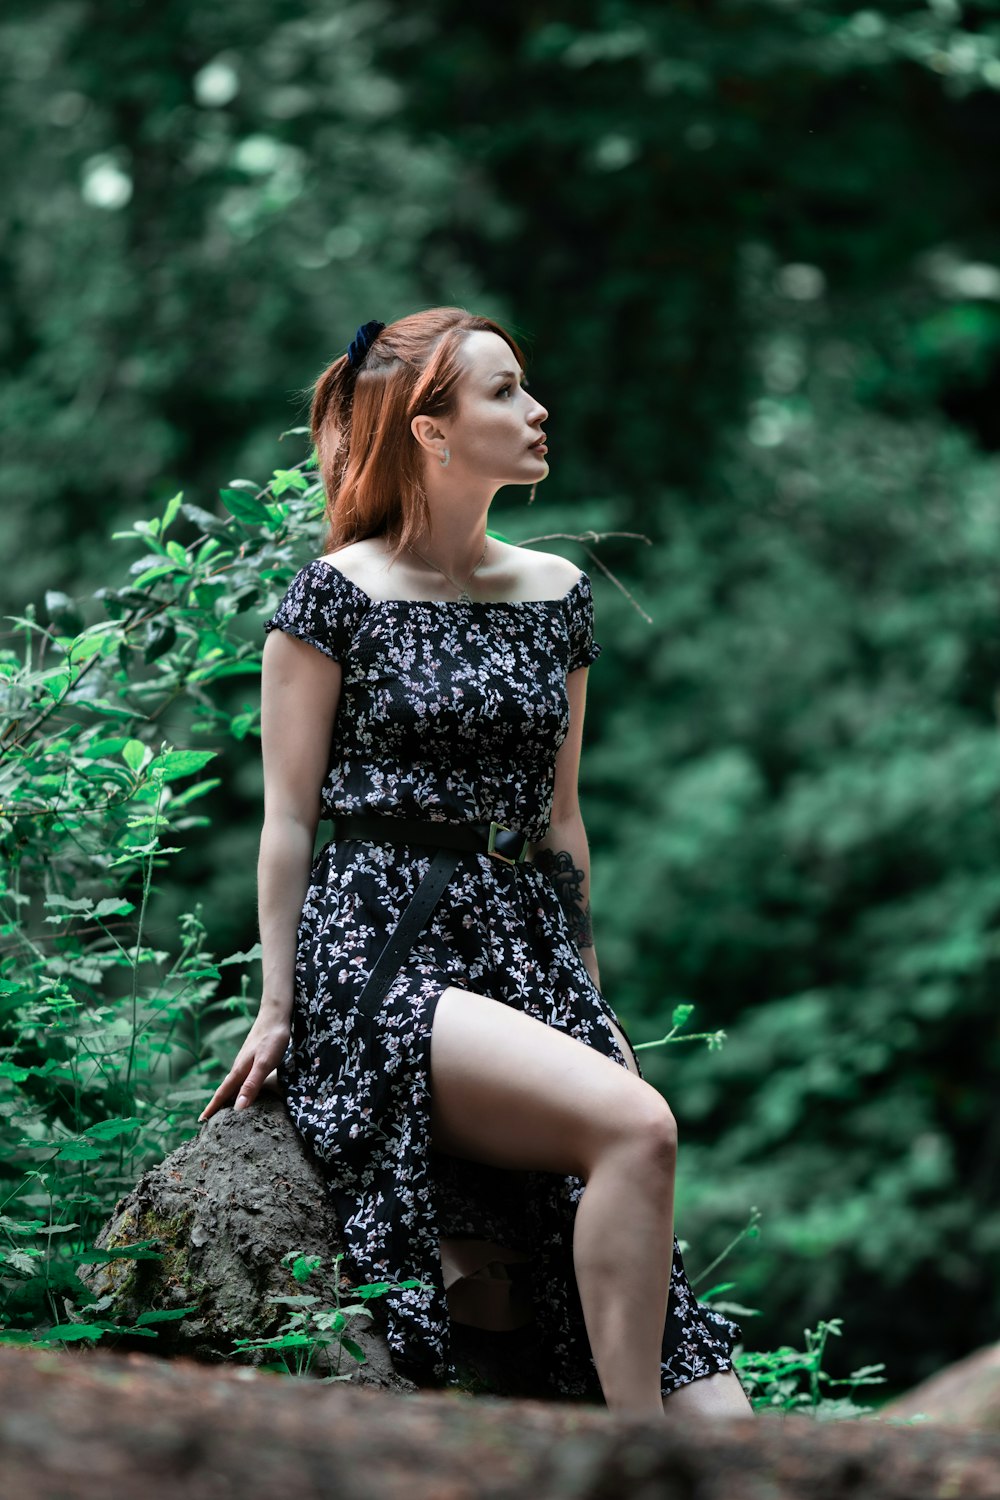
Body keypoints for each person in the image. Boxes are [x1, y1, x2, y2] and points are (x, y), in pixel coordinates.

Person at [199, 307, 752, 1419]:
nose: (537, 410)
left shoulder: (556, 595)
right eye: (504, 392)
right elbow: (290, 822)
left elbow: (560, 820)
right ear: (431, 429)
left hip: (521, 947)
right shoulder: (335, 596)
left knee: (732, 1427)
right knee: (639, 1127)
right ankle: (630, 1454)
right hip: (379, 946)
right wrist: (277, 1003)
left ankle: (657, 1427)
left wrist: (589, 998)